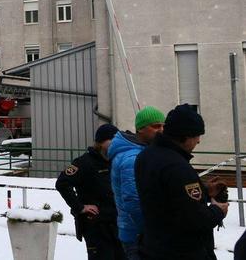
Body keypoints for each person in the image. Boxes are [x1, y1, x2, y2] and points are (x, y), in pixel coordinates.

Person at [134, 104, 228, 260]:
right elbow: (194, 219)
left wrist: (204, 190)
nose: (198, 141)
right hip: (181, 251)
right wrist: (218, 211)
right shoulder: (176, 166)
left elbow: (168, 196)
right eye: (197, 135)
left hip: (154, 246)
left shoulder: (146, 156)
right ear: (185, 136)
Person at [56, 124, 125, 260]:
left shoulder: (116, 161)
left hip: (118, 224)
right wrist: (80, 207)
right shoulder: (84, 163)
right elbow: (62, 183)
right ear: (100, 143)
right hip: (97, 227)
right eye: (112, 140)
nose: (116, 143)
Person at [108, 106, 165, 259]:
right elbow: (133, 200)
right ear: (140, 129)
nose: (161, 130)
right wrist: (150, 230)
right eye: (155, 126)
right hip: (137, 234)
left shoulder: (142, 152)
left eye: (163, 126)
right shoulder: (132, 158)